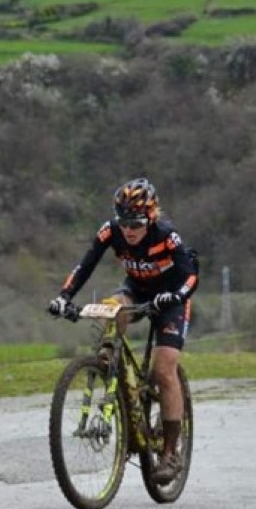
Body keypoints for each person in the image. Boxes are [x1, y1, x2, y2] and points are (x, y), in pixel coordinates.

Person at [47, 177, 198, 485]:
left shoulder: (166, 236)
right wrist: (64, 296)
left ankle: (170, 452)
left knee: (164, 368)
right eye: (124, 222)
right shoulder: (111, 231)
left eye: (137, 223)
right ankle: (109, 363)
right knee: (114, 307)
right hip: (137, 290)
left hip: (170, 298)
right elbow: (85, 265)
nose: (129, 230)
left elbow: (191, 275)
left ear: (151, 217)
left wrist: (177, 296)